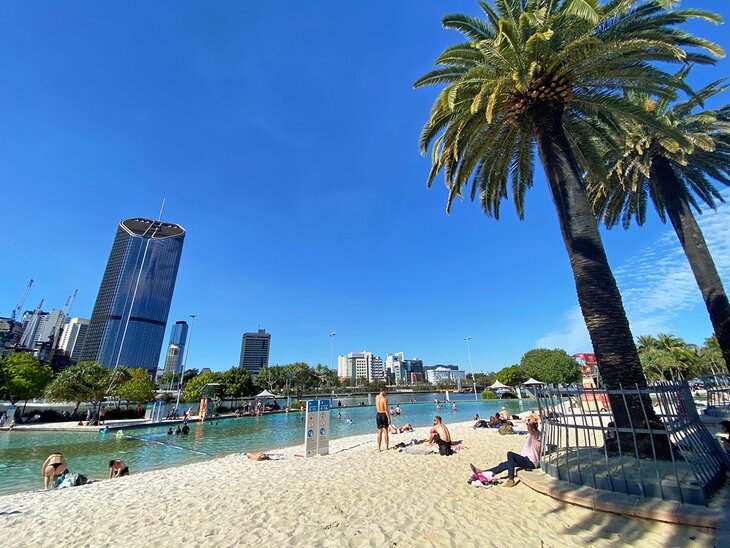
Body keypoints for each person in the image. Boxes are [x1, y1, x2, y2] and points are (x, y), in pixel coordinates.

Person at [472, 420, 541, 487]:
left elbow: (530, 427)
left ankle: (511, 479)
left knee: (510, 454)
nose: (527, 427)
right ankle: (484, 472)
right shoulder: (532, 434)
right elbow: (530, 428)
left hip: (530, 462)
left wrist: (531, 422)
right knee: (505, 464)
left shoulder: (536, 435)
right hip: (525, 459)